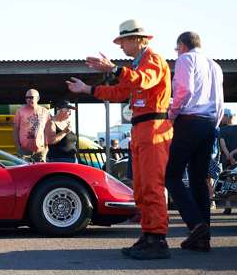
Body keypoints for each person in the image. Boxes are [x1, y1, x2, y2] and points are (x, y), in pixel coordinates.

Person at [67, 19, 173, 260]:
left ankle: (157, 238)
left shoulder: (153, 60)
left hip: (153, 127)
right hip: (142, 128)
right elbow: (120, 92)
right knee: (141, 186)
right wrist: (87, 89)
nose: (121, 46)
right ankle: (149, 235)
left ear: (137, 39)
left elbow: (142, 80)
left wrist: (113, 70)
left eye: (123, 41)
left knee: (151, 185)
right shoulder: (137, 65)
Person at [165, 31, 224, 253]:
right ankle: (203, 238)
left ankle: (195, 225)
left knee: (171, 175)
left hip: (189, 120)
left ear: (182, 45)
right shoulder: (214, 65)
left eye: (176, 48)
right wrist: (214, 124)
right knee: (200, 179)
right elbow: (219, 100)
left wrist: (172, 114)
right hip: (210, 123)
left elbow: (184, 89)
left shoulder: (185, 59)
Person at [13, 89, 50, 163]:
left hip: (40, 151)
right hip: (24, 150)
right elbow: (15, 130)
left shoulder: (45, 111)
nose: (28, 99)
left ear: (38, 98)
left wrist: (46, 148)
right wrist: (18, 148)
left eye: (31, 97)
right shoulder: (20, 111)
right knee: (24, 172)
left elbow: (47, 130)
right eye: (27, 97)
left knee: (41, 172)